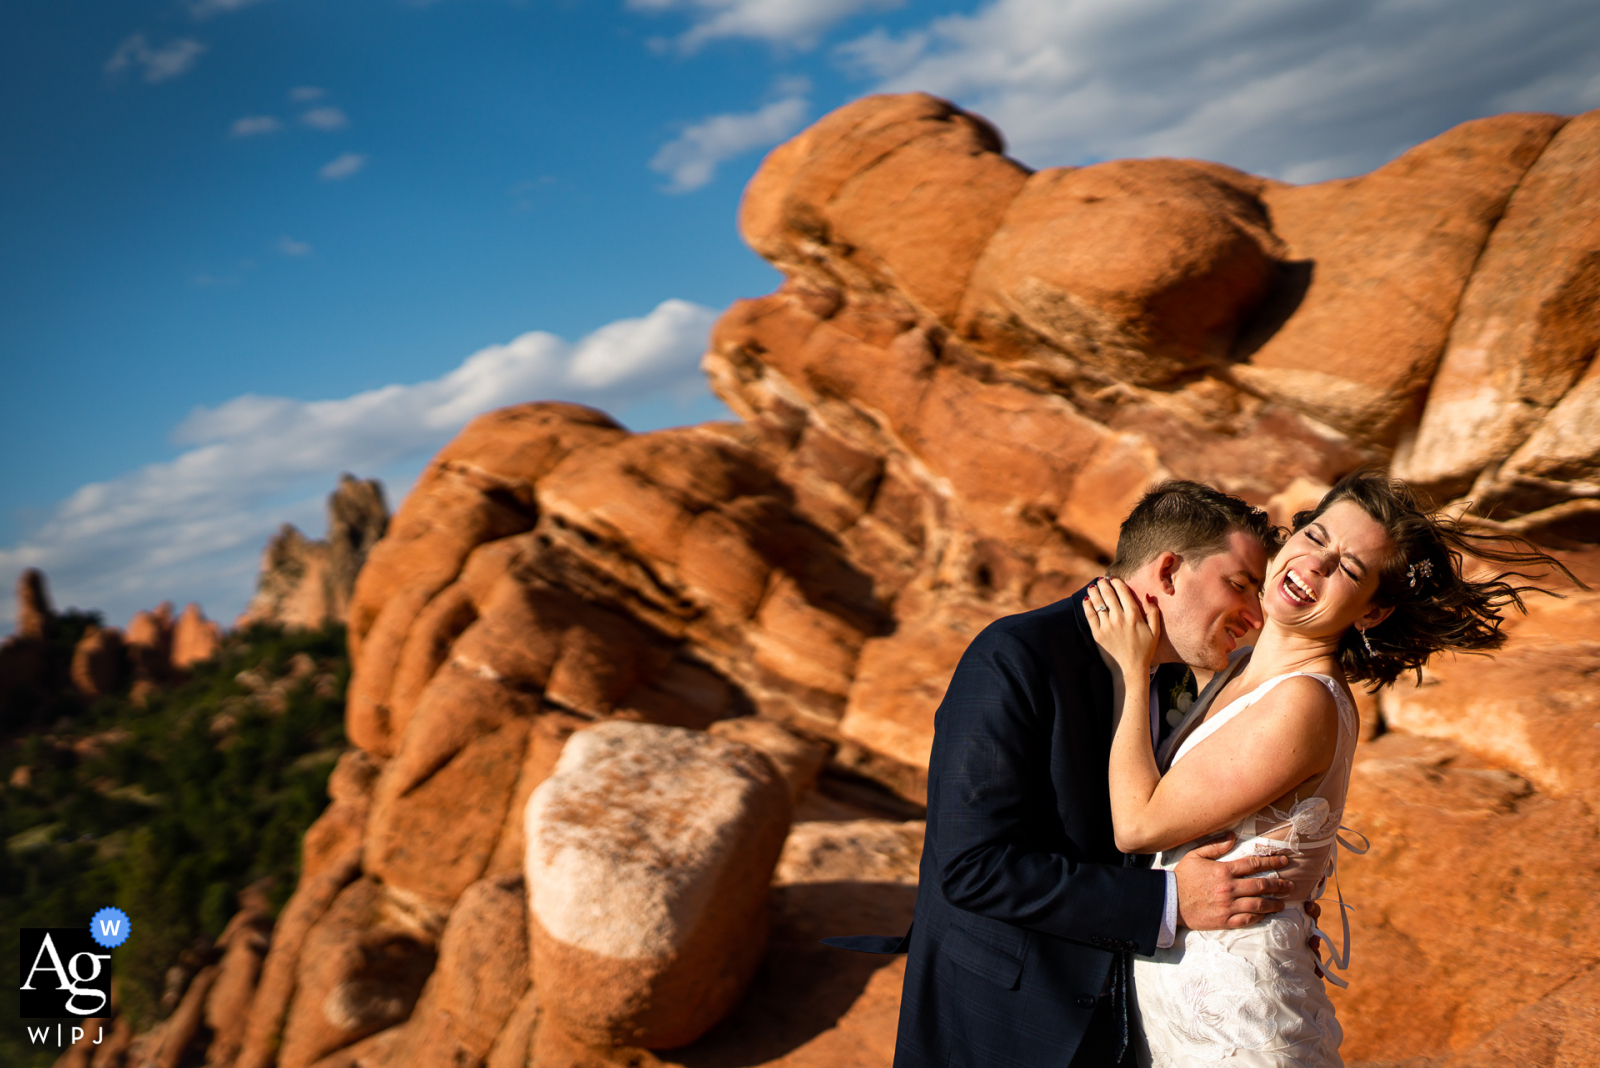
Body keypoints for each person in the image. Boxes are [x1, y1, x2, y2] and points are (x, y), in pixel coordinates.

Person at [1086, 470, 1578, 1067]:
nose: (1316, 564)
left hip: (1240, 1027)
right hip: (1174, 1013)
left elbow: (1138, 825)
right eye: (1316, 537)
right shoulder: (1235, 667)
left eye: (1348, 569)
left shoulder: (1305, 702)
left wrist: (1133, 674)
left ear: (1372, 613)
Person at [833, 480, 1308, 1068]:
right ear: (1167, 572)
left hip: (1140, 1026)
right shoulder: (1015, 655)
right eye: (1239, 585)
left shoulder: (1187, 676)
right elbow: (971, 867)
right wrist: (1164, 901)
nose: (1255, 614)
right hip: (1003, 1028)